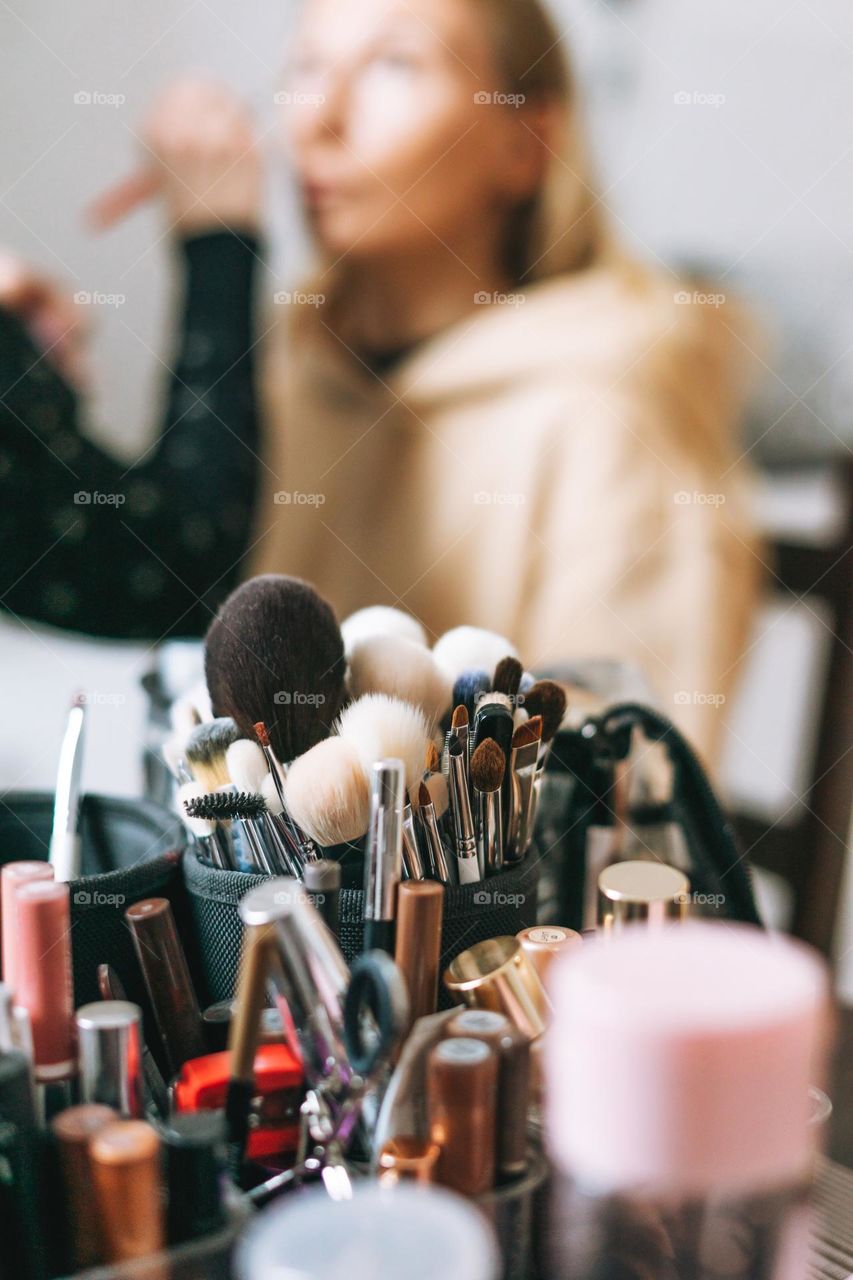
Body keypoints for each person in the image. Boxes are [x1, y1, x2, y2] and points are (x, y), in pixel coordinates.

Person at [0, 0, 760, 762]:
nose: (316, 120)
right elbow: (163, 577)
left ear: (525, 146)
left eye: (394, 64)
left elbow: (638, 786)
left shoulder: (612, 405)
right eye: (306, 68)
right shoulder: (280, 379)